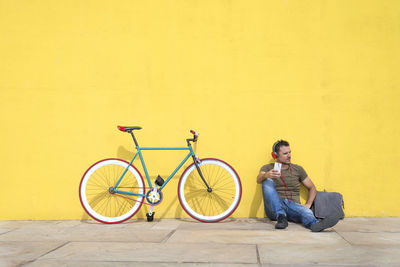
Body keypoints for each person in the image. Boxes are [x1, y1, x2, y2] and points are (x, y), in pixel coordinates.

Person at [257, 140, 340, 232]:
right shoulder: (267, 168)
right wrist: (266, 175)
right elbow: (258, 180)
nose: (289, 155)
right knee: (266, 181)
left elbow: (312, 187)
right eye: (285, 153)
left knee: (305, 211)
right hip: (273, 209)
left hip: (292, 207)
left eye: (290, 152)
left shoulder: (298, 169)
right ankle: (281, 216)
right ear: (275, 155)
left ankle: (315, 224)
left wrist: (308, 204)